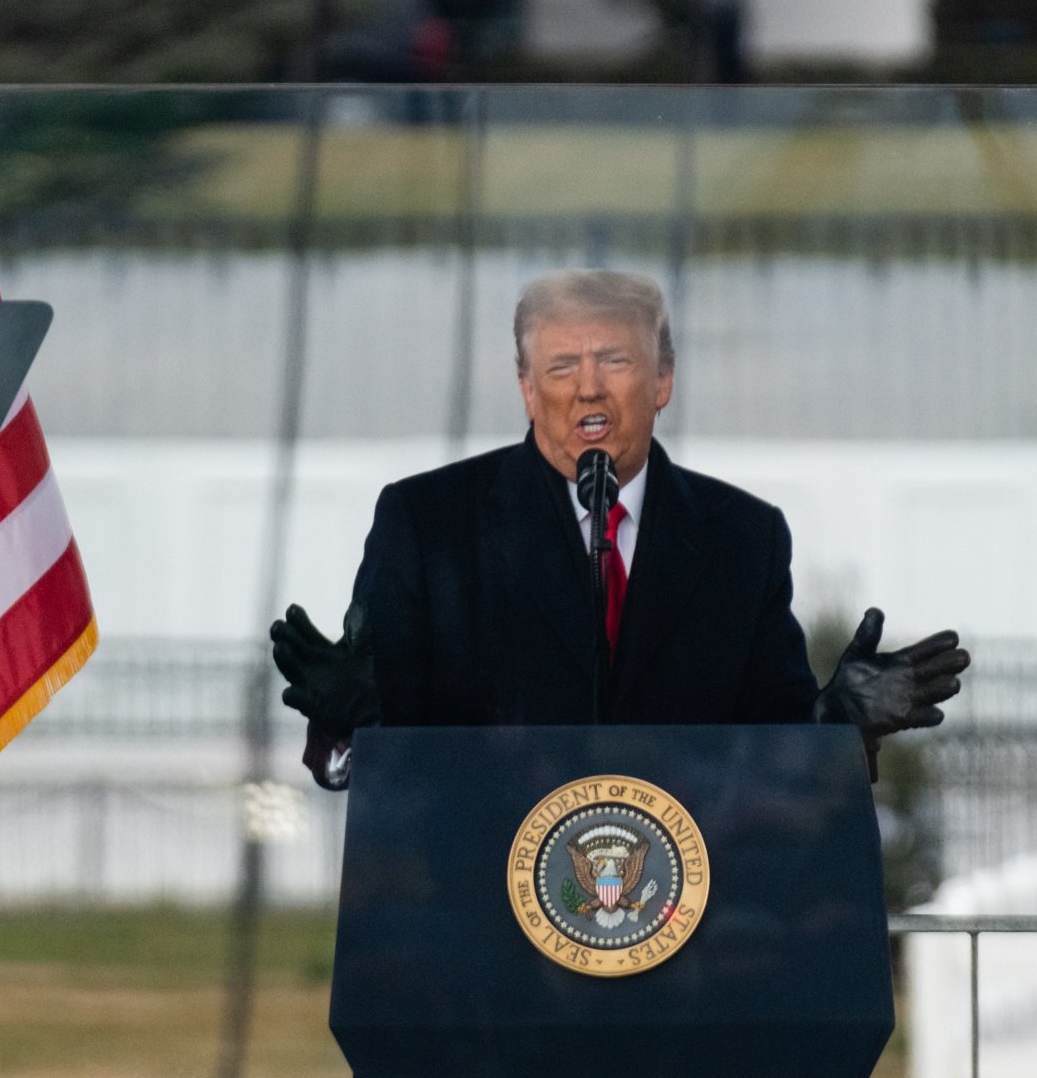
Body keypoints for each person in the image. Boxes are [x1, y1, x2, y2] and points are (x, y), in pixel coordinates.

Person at [271, 269, 968, 789]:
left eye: (615, 361)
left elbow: (772, 764)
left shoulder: (740, 539)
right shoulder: (428, 525)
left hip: (683, 935)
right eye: (561, 365)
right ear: (525, 385)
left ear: (663, 379)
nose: (588, 388)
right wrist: (353, 724)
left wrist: (835, 728)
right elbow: (357, 770)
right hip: (479, 929)